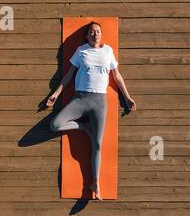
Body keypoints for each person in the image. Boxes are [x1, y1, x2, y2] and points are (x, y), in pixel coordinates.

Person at [43, 22, 136, 200]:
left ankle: (95, 183)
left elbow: (116, 75)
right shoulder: (81, 51)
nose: (95, 34)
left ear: (101, 34)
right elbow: (69, 74)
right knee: (55, 125)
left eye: (98, 31)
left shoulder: (108, 51)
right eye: (92, 32)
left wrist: (127, 97)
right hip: (80, 99)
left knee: (98, 145)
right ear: (87, 36)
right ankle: (83, 128)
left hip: (99, 102)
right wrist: (55, 93)